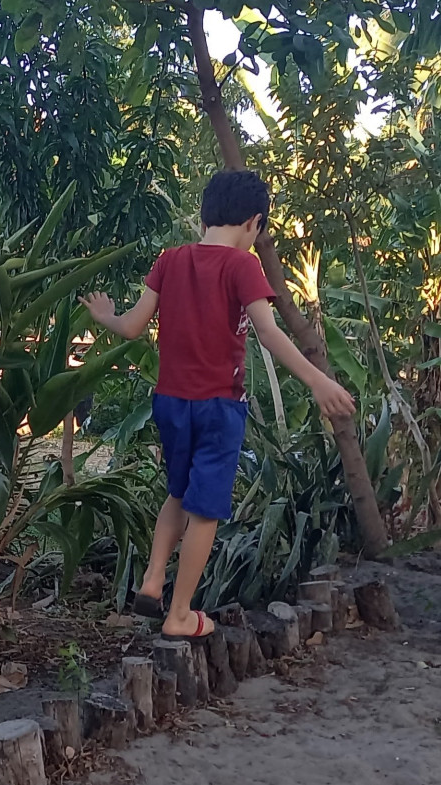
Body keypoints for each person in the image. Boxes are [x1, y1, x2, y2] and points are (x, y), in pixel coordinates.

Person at [79, 171, 356, 639]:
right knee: (205, 510)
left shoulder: (169, 260)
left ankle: (151, 581)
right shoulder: (241, 267)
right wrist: (317, 381)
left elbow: (131, 328)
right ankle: (180, 613)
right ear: (255, 222)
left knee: (178, 492)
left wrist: (106, 316)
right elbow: (268, 333)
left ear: (206, 215)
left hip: (169, 403)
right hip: (217, 407)